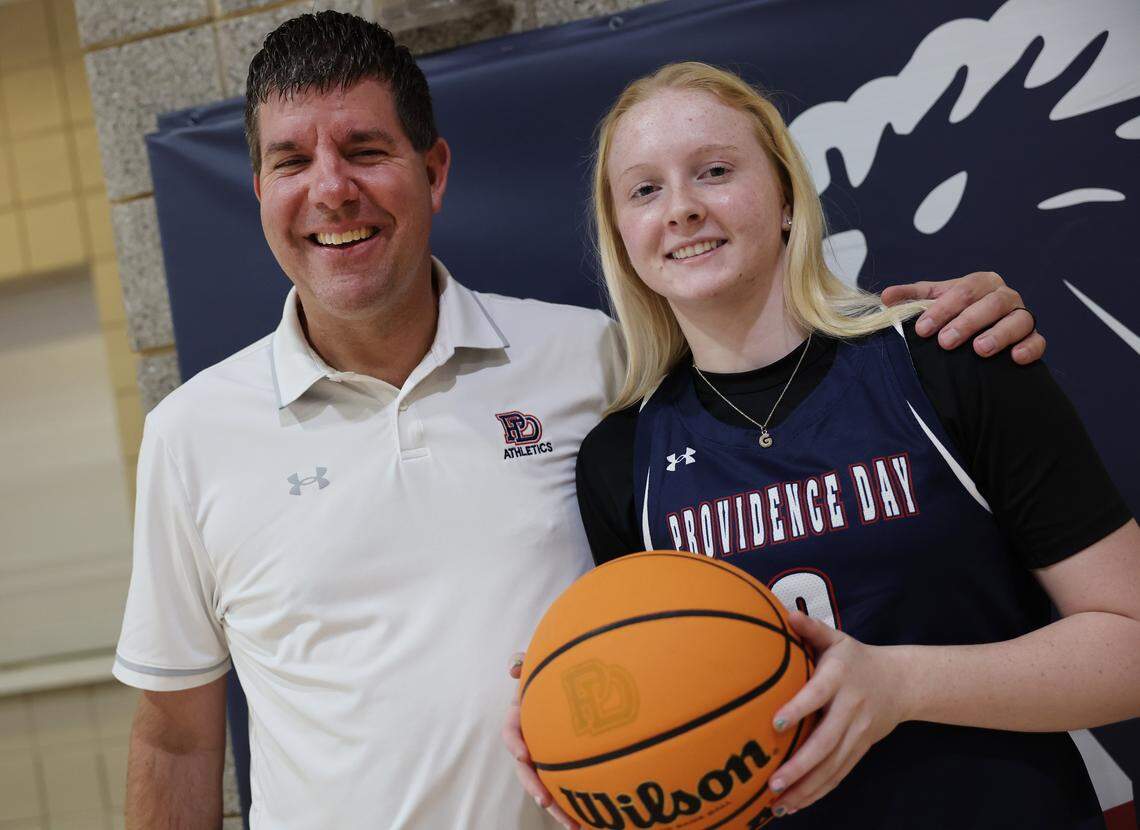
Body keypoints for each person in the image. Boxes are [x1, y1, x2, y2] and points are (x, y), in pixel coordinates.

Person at [112, 13, 1048, 830]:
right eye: (290, 161)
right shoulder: (192, 435)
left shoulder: (589, 359)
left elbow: (779, 367)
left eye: (364, 150)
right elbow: (177, 744)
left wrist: (947, 320)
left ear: (433, 172)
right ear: (259, 191)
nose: (330, 190)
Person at [504, 62, 1139, 829]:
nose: (681, 209)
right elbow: (651, 696)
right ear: (622, 237)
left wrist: (902, 685)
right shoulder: (621, 458)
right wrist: (567, 722)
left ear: (784, 198)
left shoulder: (945, 359)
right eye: (644, 190)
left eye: (714, 171)